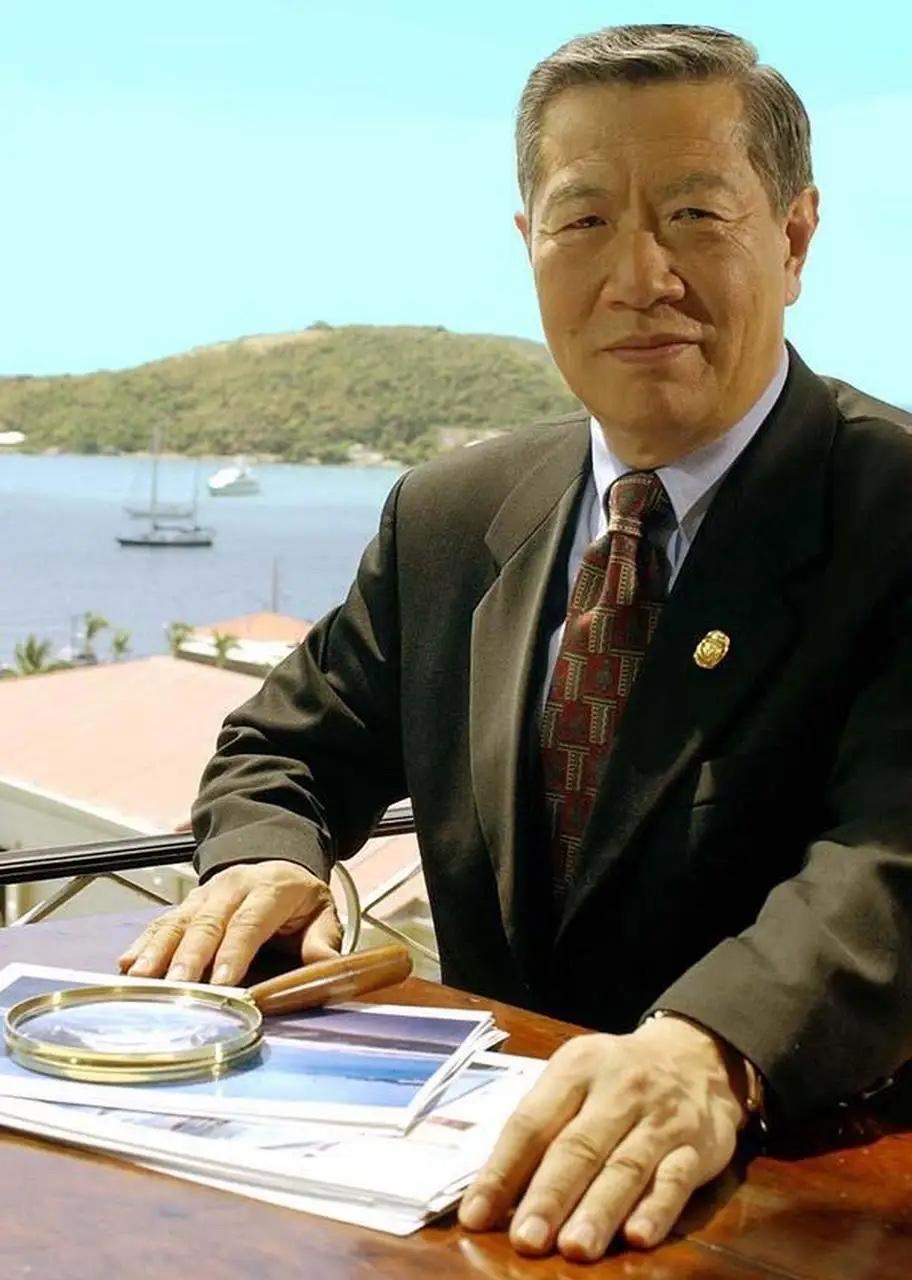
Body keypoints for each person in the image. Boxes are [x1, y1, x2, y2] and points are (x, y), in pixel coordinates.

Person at [120, 23, 912, 1262]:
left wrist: (714, 1049)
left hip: (791, 1196)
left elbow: (888, 860)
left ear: (796, 237)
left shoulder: (890, 510)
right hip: (468, 1198)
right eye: (584, 219)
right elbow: (286, 746)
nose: (639, 274)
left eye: (696, 215)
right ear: (527, 243)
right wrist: (265, 861)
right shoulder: (450, 516)